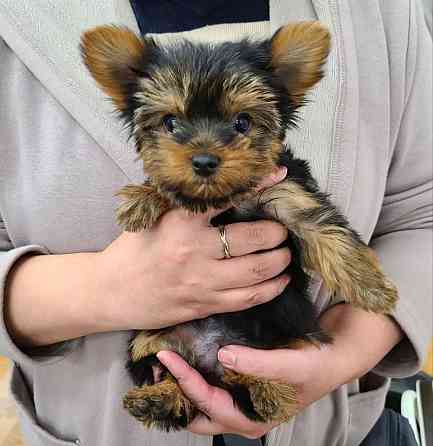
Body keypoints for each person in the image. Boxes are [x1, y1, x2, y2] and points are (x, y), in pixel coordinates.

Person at [0, 1, 431, 446]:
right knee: (150, 348)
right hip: (96, 428)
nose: (205, 152)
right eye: (171, 123)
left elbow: (423, 212)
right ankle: (168, 391)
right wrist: (103, 287)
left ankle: (259, 385)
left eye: (241, 122)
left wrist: (351, 348)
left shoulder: (383, 12)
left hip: (341, 426)